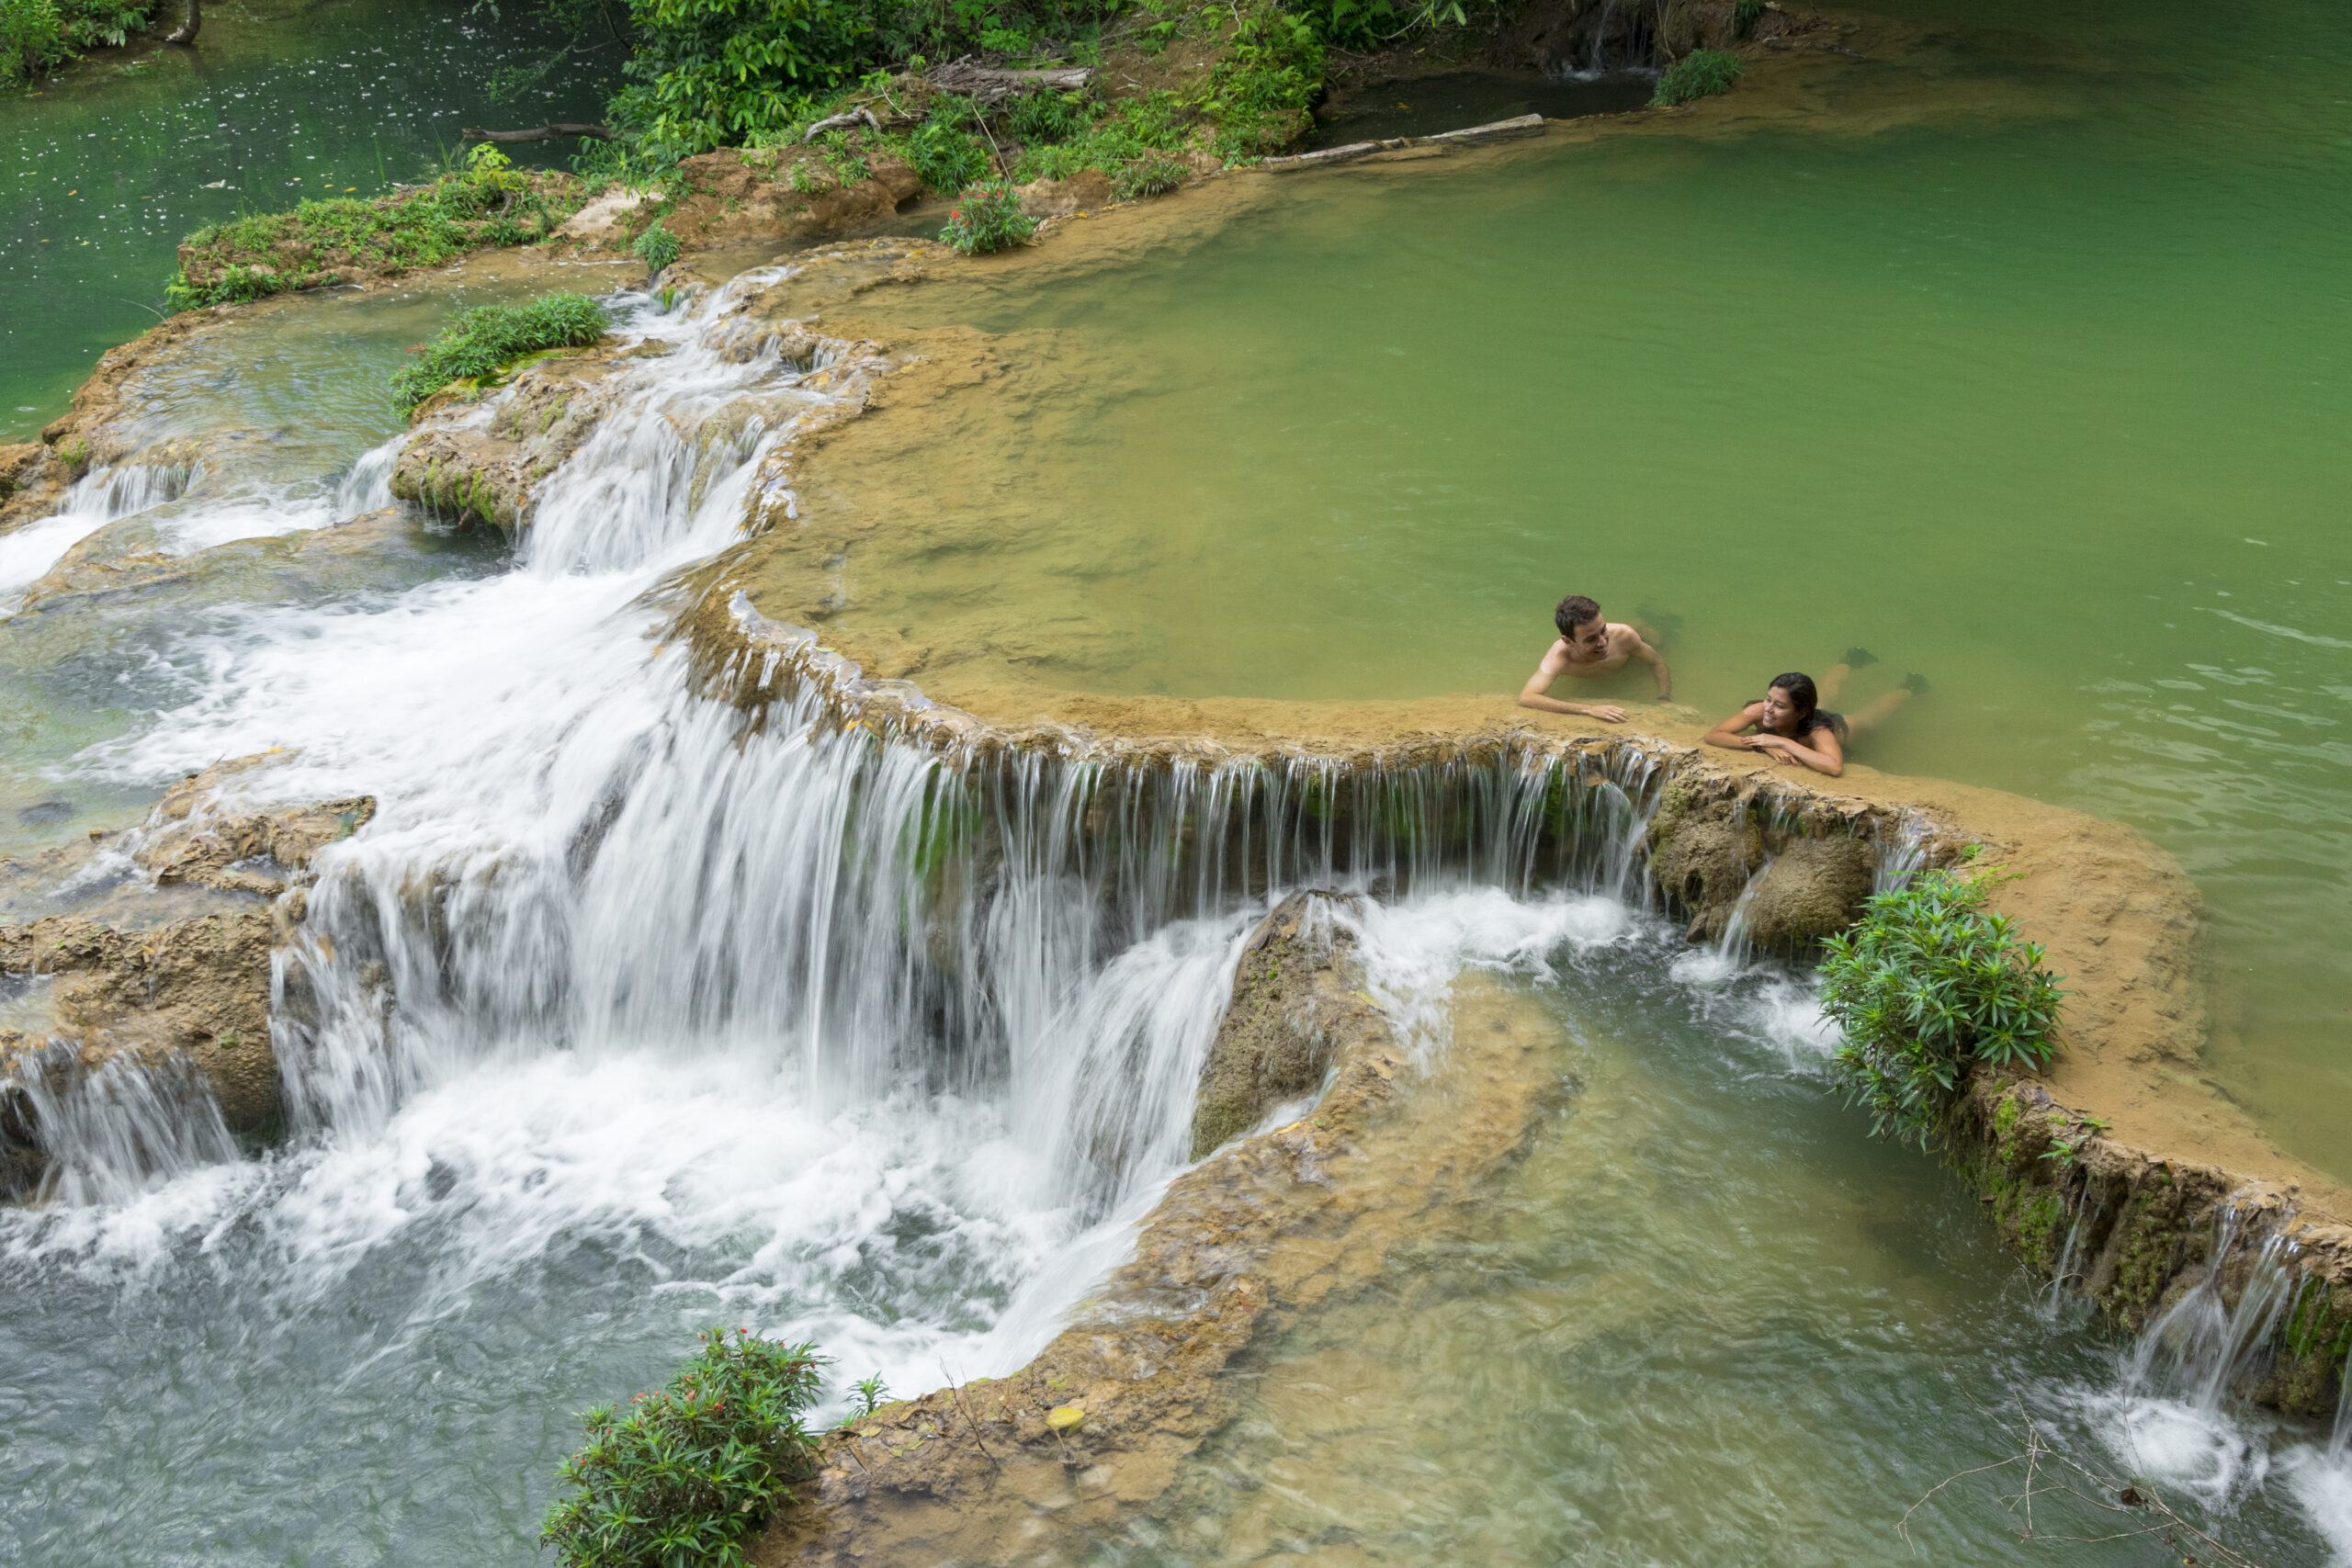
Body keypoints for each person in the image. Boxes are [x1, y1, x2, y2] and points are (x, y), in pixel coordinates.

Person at [1704, 652, 1926, 777]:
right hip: (1806, 714)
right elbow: (1714, 735)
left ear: (1800, 712)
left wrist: (1782, 743)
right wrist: (1762, 745)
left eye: (1780, 705)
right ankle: (1850, 660)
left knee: (1869, 718)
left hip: (1839, 726)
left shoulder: (1819, 731)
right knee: (1827, 694)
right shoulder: (1761, 709)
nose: (1769, 709)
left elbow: (1834, 766)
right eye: (1768, 698)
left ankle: (1909, 688)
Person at [1517, 594, 1672, 724]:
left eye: (1603, 629)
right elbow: (1527, 697)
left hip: (1630, 662)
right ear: (1569, 642)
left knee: (1660, 640)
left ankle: (1644, 619)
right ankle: (1641, 618)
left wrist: (1664, 698)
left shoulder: (1623, 634)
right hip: (1610, 670)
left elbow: (1655, 661)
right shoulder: (1558, 657)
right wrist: (1589, 709)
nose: (1603, 643)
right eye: (1591, 639)